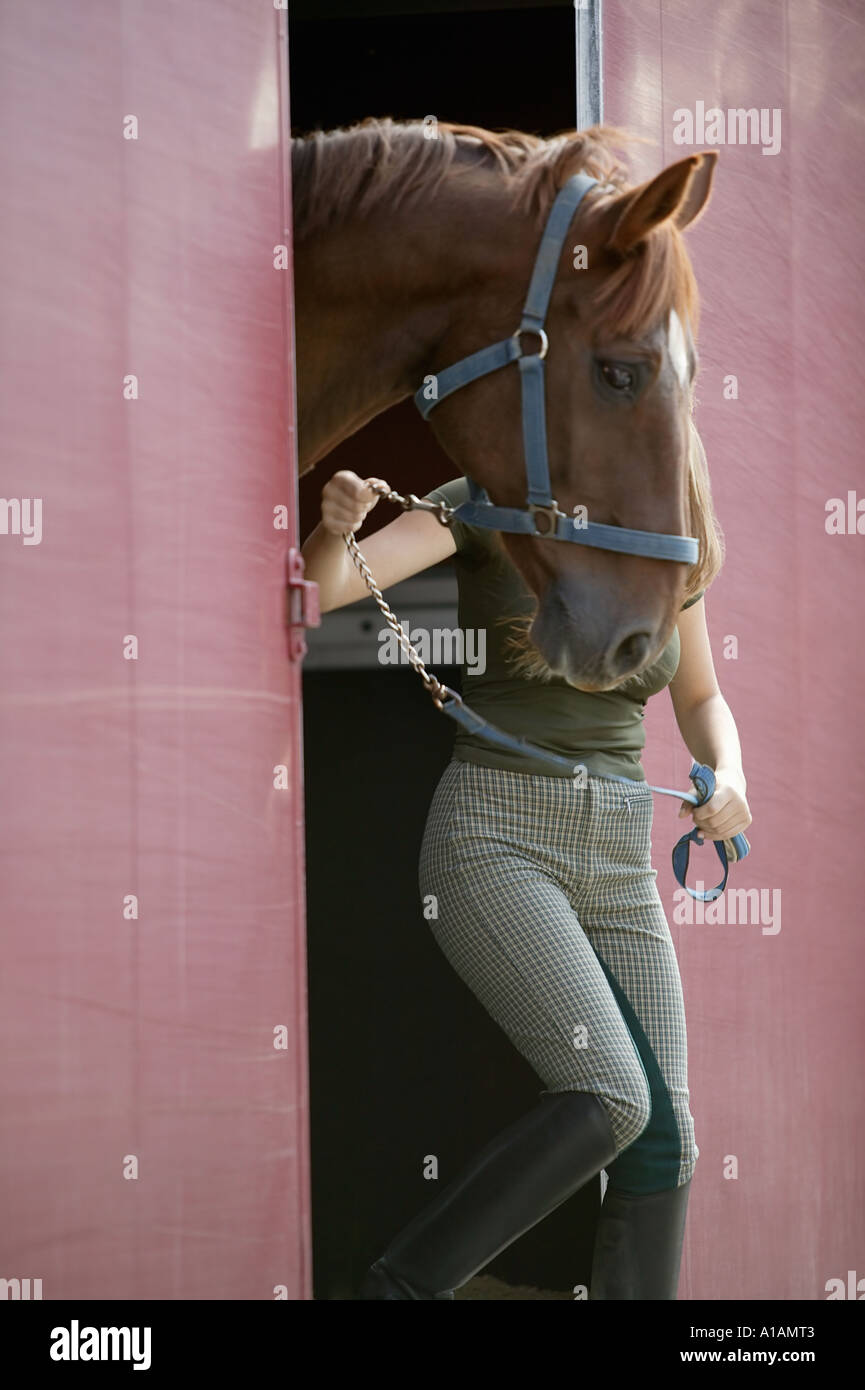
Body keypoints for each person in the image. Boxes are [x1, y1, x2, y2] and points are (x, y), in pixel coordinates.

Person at [300, 448, 751, 1301]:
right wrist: (333, 531)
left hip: (617, 855)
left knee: (667, 1140)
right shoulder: (485, 501)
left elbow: (699, 698)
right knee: (613, 1094)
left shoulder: (668, 535)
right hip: (496, 836)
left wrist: (728, 774)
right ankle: (398, 1291)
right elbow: (326, 589)